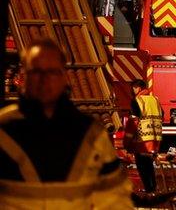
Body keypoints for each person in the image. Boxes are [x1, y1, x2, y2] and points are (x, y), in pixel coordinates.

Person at [0, 38, 133, 209]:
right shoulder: (3, 129)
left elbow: (114, 200)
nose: (44, 80)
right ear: (23, 78)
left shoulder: (92, 134)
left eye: (52, 72)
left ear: (65, 77)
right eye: (36, 72)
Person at [127, 79, 163, 193]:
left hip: (142, 137)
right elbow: (163, 114)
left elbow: (134, 121)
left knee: (141, 164)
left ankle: (148, 189)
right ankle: (153, 187)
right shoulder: (155, 99)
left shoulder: (136, 100)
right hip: (155, 137)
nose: (133, 91)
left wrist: (128, 138)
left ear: (139, 88)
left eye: (134, 88)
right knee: (148, 163)